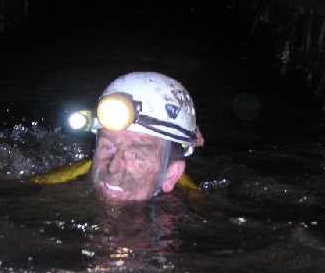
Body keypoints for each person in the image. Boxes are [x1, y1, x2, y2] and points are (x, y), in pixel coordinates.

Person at [36, 72, 204, 200]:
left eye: (137, 156)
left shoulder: (193, 213)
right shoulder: (48, 192)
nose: (113, 167)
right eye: (108, 147)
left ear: (171, 174)